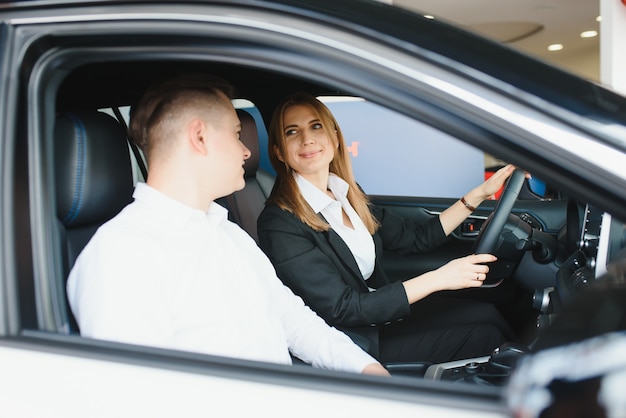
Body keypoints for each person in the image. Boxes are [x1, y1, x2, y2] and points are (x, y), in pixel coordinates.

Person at [66, 76, 388, 376]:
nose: (247, 150)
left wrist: (365, 368)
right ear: (200, 137)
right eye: (236, 134)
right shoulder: (121, 256)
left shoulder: (227, 232)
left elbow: (293, 320)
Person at [257, 92, 518, 365]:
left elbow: (415, 238)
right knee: (485, 337)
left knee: (488, 313)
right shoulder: (279, 223)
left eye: (316, 126)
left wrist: (477, 196)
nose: (307, 139)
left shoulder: (347, 193)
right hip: (353, 340)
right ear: (279, 152)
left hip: (381, 315)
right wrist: (439, 279)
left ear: (335, 138)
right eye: (292, 132)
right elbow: (343, 309)